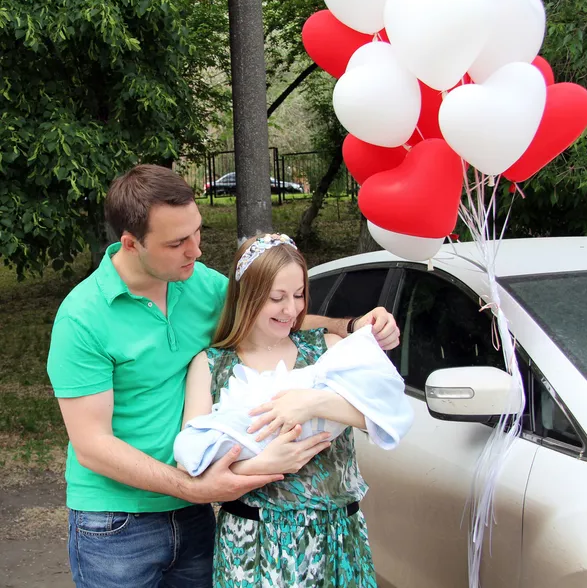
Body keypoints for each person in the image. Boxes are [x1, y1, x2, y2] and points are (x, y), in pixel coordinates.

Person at [46, 164, 400, 588]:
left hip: (196, 514)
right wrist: (195, 486)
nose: (195, 250)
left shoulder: (197, 283)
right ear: (130, 243)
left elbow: (270, 315)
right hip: (119, 522)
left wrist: (350, 326)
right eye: (178, 242)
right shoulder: (82, 319)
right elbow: (93, 446)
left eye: (196, 232)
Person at [182, 232, 396, 587]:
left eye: (299, 295)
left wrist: (309, 402)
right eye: (276, 298)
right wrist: (262, 466)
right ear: (246, 297)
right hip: (252, 545)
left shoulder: (327, 348)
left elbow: (383, 416)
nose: (291, 310)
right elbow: (192, 464)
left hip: (336, 539)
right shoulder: (210, 366)